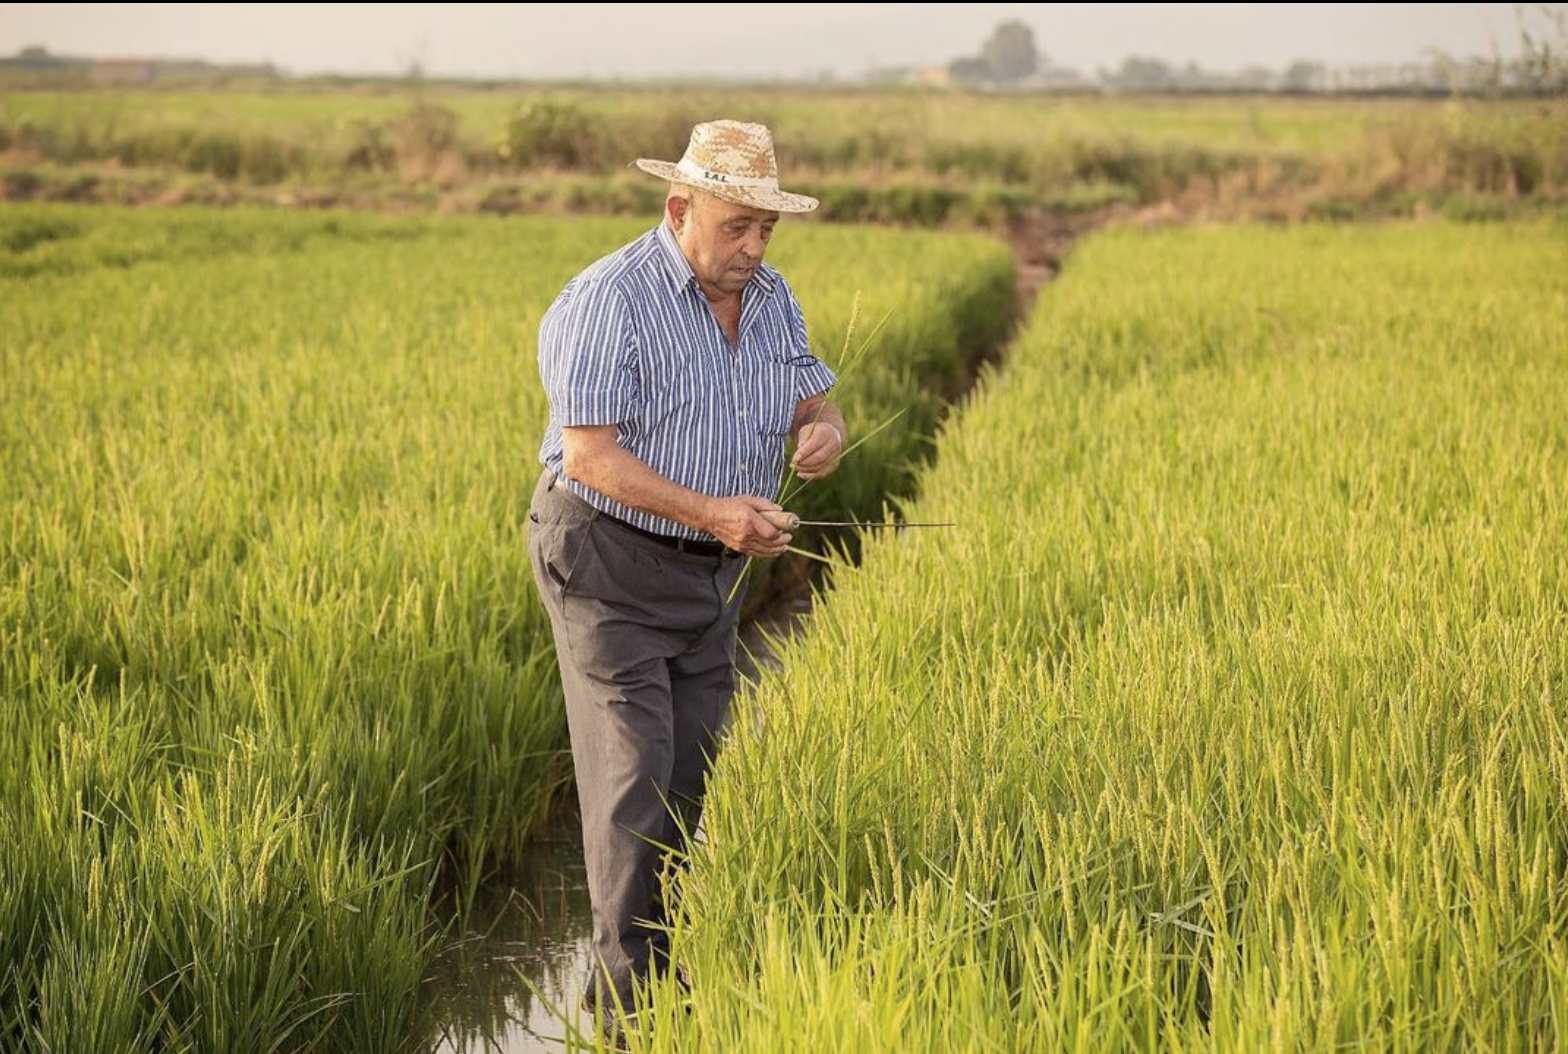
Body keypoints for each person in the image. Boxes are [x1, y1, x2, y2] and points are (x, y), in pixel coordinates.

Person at [526, 119, 847, 1017]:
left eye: (765, 229)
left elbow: (816, 404)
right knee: (635, 777)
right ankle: (626, 1011)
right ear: (679, 210)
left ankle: (659, 976)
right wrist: (716, 513)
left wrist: (823, 435)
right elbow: (588, 457)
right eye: (735, 226)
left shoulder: (772, 298)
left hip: (710, 576)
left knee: (689, 774)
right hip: (606, 562)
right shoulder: (609, 300)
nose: (754, 247)